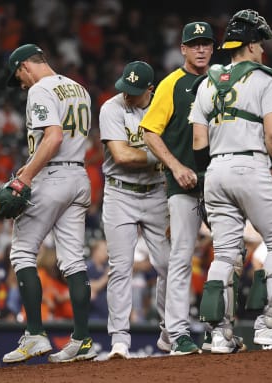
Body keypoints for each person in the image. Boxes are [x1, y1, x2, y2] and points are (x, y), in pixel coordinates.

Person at [191, 9, 272, 351]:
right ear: (252, 44)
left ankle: (220, 335)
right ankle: (269, 326)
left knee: (225, 254)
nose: (263, 49)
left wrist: (205, 180)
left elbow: (199, 142)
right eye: (261, 43)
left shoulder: (207, 83)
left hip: (214, 172)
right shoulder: (265, 80)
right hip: (251, 166)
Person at [1, 44, 97, 363]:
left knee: (22, 251)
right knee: (73, 260)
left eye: (19, 76)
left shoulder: (40, 89)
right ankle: (82, 339)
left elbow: (53, 138)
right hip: (79, 177)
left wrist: (24, 177)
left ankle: (35, 335)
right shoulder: (80, 89)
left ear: (26, 66)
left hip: (51, 176)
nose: (21, 84)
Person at [141, 21, 215, 355]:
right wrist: (175, 166)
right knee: (181, 257)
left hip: (218, 183)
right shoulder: (171, 84)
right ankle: (178, 334)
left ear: (213, 48)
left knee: (229, 256)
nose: (201, 49)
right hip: (183, 183)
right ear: (182, 49)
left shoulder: (221, 82)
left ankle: (221, 329)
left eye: (206, 43)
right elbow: (149, 132)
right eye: (194, 44)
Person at [99, 61, 170, 359]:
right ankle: (119, 340)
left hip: (157, 194)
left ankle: (172, 331)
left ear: (150, 90)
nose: (127, 95)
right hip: (120, 192)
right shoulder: (111, 108)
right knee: (120, 267)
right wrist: (163, 157)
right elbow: (122, 154)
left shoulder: (165, 106)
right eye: (125, 89)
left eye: (135, 91)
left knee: (169, 264)